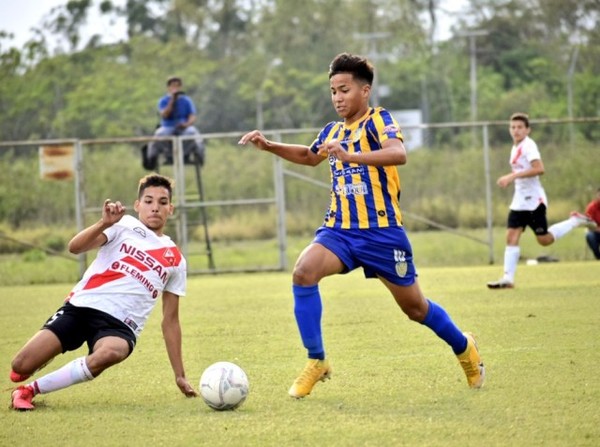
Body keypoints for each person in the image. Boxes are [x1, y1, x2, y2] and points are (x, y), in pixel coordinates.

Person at [238, 52, 485, 399]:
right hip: (339, 230)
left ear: (364, 91)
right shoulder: (332, 131)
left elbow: (398, 153)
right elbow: (310, 157)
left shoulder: (378, 120)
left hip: (382, 233)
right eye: (333, 91)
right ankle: (317, 361)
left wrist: (351, 156)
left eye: (344, 90)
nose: (338, 98)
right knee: (303, 273)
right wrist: (268, 146)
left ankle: (464, 348)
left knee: (416, 309)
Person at [10, 174, 197, 411]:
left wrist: (179, 375)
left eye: (162, 202)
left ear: (170, 208)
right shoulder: (124, 225)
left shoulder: (175, 259)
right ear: (138, 205)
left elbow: (170, 321)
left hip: (120, 327)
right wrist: (104, 223)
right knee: (20, 366)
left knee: (111, 352)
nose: (155, 207)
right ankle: (39, 363)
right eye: (148, 201)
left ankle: (29, 390)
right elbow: (75, 247)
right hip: (82, 308)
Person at [487, 113, 594, 289]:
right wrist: (513, 178)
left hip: (533, 201)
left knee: (544, 240)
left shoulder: (529, 146)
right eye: (513, 127)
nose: (516, 130)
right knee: (511, 236)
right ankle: (508, 279)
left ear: (528, 129)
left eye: (520, 127)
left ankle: (574, 221)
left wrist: (512, 176)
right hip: (519, 201)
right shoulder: (515, 147)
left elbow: (539, 169)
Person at [147, 76, 205, 166]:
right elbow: (165, 114)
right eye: (173, 86)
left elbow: (192, 115)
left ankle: (194, 156)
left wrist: (186, 124)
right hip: (167, 126)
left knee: (193, 133)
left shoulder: (186, 100)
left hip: (184, 127)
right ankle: (155, 158)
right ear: (169, 88)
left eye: (177, 86)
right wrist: (172, 100)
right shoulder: (163, 100)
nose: (175, 88)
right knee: (159, 134)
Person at [584, 188, 600, 260]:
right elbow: (588, 224)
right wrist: (597, 229)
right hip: (595, 232)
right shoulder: (591, 207)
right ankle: (598, 256)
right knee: (590, 236)